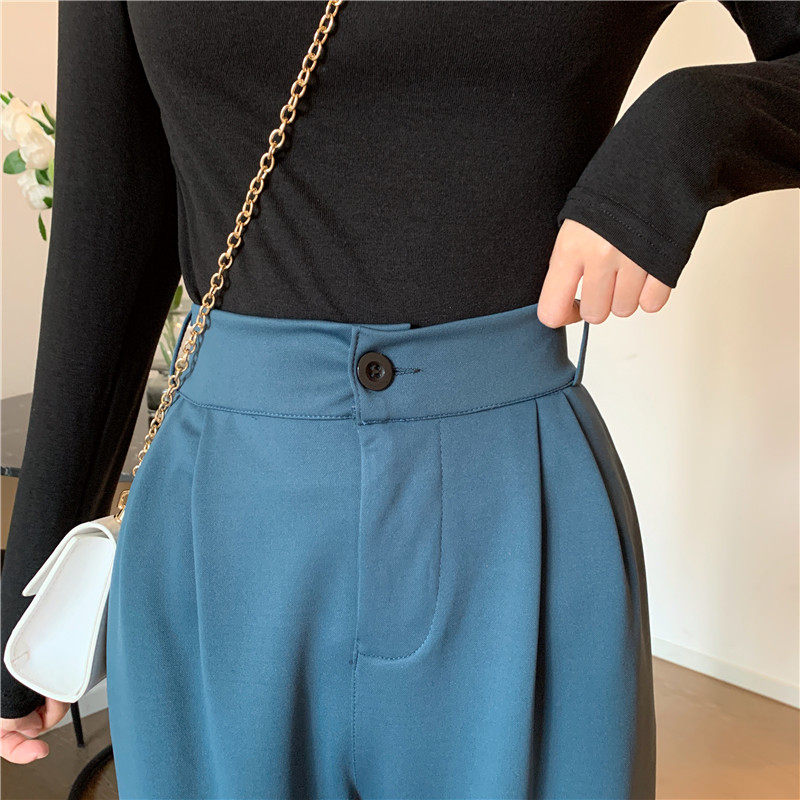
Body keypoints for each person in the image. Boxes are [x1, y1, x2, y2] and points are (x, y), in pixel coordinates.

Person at [1, 1, 798, 798]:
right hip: (223, 526)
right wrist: (24, 592)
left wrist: (691, 126)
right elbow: (110, 214)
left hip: (517, 516)